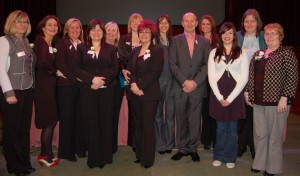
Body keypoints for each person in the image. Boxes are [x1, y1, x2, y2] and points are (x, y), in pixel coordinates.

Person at [245, 23, 298, 176]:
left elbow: (292, 77)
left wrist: (285, 97)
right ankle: (260, 162)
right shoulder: (258, 54)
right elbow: (251, 75)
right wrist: (248, 93)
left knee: (274, 135)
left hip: (277, 102)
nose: (269, 37)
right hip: (258, 101)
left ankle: (273, 167)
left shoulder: (286, 53)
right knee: (260, 134)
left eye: (273, 33)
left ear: (280, 36)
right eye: (267, 34)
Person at [74, 19, 119, 168]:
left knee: (105, 124)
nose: (96, 32)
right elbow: (77, 68)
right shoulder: (81, 48)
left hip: (107, 91)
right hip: (88, 90)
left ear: (103, 33)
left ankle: (105, 157)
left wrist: (101, 81)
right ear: (89, 33)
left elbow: (114, 69)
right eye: (93, 30)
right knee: (91, 124)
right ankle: (93, 158)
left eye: (99, 30)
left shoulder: (111, 49)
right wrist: (92, 80)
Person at [169, 12, 210, 162]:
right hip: (180, 87)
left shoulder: (204, 42)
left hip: (197, 88)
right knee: (181, 119)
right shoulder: (175, 40)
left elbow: (207, 65)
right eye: (187, 21)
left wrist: (195, 82)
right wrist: (184, 81)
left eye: (192, 21)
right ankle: (183, 148)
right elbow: (172, 64)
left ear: (197, 23)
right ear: (182, 23)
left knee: (194, 120)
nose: (190, 23)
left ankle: (193, 149)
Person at [0, 10, 36, 175]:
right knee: (11, 131)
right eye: (19, 21)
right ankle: (14, 165)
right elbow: (0, 69)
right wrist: (9, 93)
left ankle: (24, 162)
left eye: (26, 22)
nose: (23, 25)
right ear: (11, 23)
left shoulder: (26, 41)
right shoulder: (4, 41)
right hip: (13, 91)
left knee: (23, 130)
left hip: (27, 91)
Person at [208, 22, 249, 169]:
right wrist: (219, 97)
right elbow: (211, 76)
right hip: (218, 94)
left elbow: (244, 77)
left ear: (234, 35)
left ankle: (230, 157)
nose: (227, 36)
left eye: (230, 33)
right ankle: (219, 156)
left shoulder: (242, 52)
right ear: (220, 35)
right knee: (220, 128)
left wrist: (230, 98)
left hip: (235, 95)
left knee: (232, 129)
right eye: (224, 33)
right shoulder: (214, 52)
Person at [127, 20, 164, 168]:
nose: (143, 34)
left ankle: (148, 159)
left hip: (149, 94)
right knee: (138, 125)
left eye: (147, 32)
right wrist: (134, 85)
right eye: (141, 32)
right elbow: (130, 70)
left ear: (152, 34)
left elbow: (155, 72)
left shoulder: (157, 50)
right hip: (134, 93)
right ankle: (140, 154)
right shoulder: (135, 50)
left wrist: (140, 85)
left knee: (147, 126)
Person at [236, 9, 267, 159]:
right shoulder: (237, 36)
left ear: (257, 22)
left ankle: (255, 146)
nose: (249, 24)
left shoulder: (263, 36)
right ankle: (241, 144)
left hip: (259, 82)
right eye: (246, 21)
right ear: (243, 22)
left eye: (252, 21)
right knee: (242, 115)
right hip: (240, 81)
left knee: (256, 115)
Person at [55, 18, 87, 162]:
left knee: (80, 118)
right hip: (66, 87)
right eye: (72, 28)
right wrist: (77, 78)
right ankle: (66, 152)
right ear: (67, 30)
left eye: (78, 28)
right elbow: (61, 63)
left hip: (80, 87)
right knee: (67, 119)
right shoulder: (62, 43)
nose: (75, 30)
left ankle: (79, 148)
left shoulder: (83, 45)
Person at [33, 15, 61, 167]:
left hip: (50, 86)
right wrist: (56, 72)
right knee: (49, 121)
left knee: (51, 120)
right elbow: (42, 62)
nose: (53, 27)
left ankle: (48, 152)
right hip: (44, 87)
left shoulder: (51, 43)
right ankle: (44, 154)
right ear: (43, 28)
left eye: (55, 25)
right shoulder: (40, 41)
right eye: (49, 25)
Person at [118, 13, 143, 150]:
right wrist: (123, 69)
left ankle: (143, 139)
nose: (136, 22)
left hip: (144, 79)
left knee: (143, 110)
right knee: (133, 110)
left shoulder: (146, 37)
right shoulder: (123, 38)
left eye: (139, 20)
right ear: (130, 23)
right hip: (129, 78)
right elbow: (121, 57)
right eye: (134, 20)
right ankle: (133, 141)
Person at [153, 14, 175, 155]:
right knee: (158, 115)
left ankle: (169, 143)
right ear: (157, 25)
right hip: (157, 82)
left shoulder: (175, 41)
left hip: (172, 82)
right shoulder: (153, 41)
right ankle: (160, 144)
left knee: (170, 115)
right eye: (161, 23)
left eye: (166, 23)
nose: (164, 25)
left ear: (169, 25)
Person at [198, 15, 219, 150]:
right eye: (203, 24)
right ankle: (206, 139)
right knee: (205, 110)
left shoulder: (218, 40)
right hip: (202, 80)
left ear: (212, 25)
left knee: (215, 110)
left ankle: (215, 139)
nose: (205, 26)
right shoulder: (197, 40)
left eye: (207, 24)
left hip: (216, 79)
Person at [105, 21, 122, 154]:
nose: (111, 33)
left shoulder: (120, 47)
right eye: (109, 30)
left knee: (114, 115)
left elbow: (124, 64)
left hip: (117, 87)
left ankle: (112, 145)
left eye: (114, 30)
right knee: (104, 115)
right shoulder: (98, 45)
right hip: (102, 85)